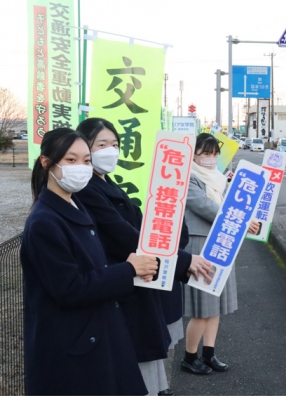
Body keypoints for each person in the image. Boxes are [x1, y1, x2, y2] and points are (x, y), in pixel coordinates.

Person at [75, 117, 213, 395]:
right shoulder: (88, 189)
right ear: (85, 148)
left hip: (141, 276)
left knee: (143, 354)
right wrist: (183, 261)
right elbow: (124, 235)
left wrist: (174, 238)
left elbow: (144, 226)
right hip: (126, 281)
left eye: (114, 144)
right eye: (101, 144)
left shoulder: (107, 183)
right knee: (134, 357)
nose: (110, 150)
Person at [20, 128, 158, 396]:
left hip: (96, 331)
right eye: (71, 160)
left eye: (85, 161)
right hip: (74, 342)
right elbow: (69, 288)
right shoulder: (44, 222)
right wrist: (128, 270)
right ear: (47, 162)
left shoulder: (73, 204)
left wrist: (130, 267)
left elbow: (93, 267)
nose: (80, 168)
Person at [181, 133, 260, 375]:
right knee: (202, 308)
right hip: (199, 245)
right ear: (193, 155)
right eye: (205, 153)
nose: (211, 158)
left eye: (214, 153)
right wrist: (241, 220)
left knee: (214, 308)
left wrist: (249, 220)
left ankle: (208, 354)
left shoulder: (219, 179)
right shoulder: (187, 178)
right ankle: (189, 357)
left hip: (223, 244)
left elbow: (231, 207)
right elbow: (206, 208)